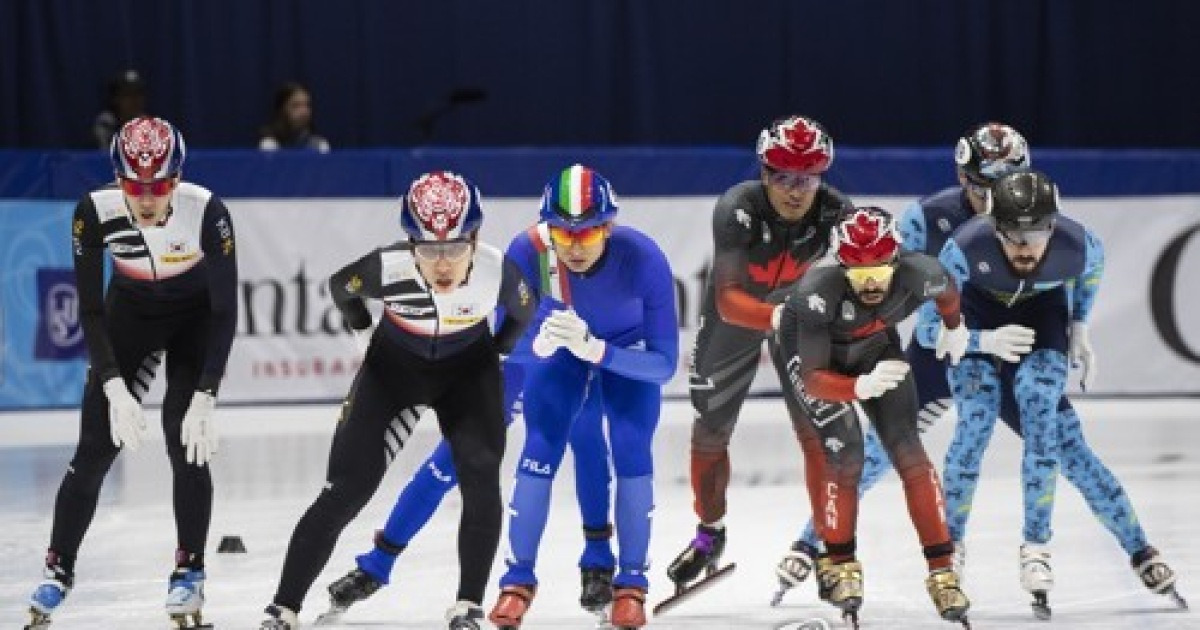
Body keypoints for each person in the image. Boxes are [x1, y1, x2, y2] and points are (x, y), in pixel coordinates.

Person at [258, 171, 535, 630]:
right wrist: (362, 329)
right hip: (392, 374)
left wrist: (498, 352)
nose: (442, 263)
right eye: (428, 250)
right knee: (344, 492)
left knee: (481, 479)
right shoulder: (386, 267)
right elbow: (339, 286)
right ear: (409, 245)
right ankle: (282, 608)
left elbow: (525, 309)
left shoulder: (497, 270)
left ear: (475, 237)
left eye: (454, 248)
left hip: (468, 376)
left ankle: (467, 606)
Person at [774, 122, 1034, 601]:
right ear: (962, 177)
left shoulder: (1032, 211)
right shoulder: (925, 219)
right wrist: (971, 336)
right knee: (873, 455)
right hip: (932, 354)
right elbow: (915, 313)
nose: (994, 200)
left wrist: (971, 332)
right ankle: (813, 541)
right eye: (982, 187)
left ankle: (951, 553)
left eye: (1003, 187)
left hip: (999, 349)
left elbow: (950, 293)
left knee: (1042, 441)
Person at [914, 169, 1185, 617]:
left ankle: (1047, 547)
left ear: (1054, 226)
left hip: (1042, 320)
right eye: (1014, 236)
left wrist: (1079, 326)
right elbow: (927, 330)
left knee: (1053, 432)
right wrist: (981, 342)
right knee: (973, 428)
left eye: (1036, 234)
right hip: (976, 322)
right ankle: (951, 546)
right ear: (994, 227)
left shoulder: (1080, 244)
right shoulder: (963, 248)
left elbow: (1092, 273)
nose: (1025, 248)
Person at [27, 116, 237, 630]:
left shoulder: (207, 210)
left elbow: (225, 310)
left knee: (184, 437)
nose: (146, 199)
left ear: (178, 177)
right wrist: (115, 385)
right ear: (117, 177)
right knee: (95, 448)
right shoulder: (92, 212)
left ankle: (189, 571)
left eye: (160, 186)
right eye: (134, 186)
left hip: (193, 319)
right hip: (129, 318)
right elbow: (92, 311)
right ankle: (59, 570)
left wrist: (207, 391)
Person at [665, 115, 850, 597]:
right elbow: (726, 299)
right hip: (736, 319)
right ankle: (709, 534)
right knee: (710, 431)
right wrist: (781, 316)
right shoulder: (737, 208)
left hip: (794, 319)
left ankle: (831, 547)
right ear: (764, 174)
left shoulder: (836, 212)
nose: (795, 190)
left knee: (815, 433)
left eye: (807, 178)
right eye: (783, 177)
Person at [487, 164, 679, 630]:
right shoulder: (526, 250)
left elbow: (664, 365)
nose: (573, 246)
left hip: (622, 352)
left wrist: (598, 350)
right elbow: (499, 342)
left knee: (631, 448)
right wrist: (535, 347)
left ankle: (631, 583)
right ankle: (516, 581)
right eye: (563, 233)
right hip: (559, 351)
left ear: (608, 228)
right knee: (539, 448)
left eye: (587, 234)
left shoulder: (644, 258)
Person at [776, 207, 973, 626]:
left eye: (880, 273)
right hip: (815, 360)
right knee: (847, 454)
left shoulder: (922, 272)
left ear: (897, 263)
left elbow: (949, 291)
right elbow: (812, 380)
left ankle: (942, 570)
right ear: (841, 265)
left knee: (911, 454)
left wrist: (954, 326)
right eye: (859, 273)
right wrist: (858, 388)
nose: (870, 284)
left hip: (875, 349)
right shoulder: (817, 290)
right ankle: (841, 562)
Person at [258, 82, 330, 153]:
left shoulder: (319, 144)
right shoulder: (269, 144)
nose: (304, 112)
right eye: (296, 106)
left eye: (307, 105)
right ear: (282, 110)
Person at [92, 69, 148, 149]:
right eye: (127, 95)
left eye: (138, 94)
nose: (134, 100)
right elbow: (105, 157)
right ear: (116, 99)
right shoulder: (106, 124)